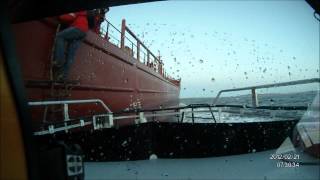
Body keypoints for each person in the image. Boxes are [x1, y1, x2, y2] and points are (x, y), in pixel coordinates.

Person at [53, 11, 88, 80]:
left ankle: (59, 60)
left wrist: (60, 16)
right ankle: (63, 76)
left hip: (78, 28)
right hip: (83, 32)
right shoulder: (84, 15)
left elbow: (70, 17)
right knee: (71, 54)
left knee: (60, 37)